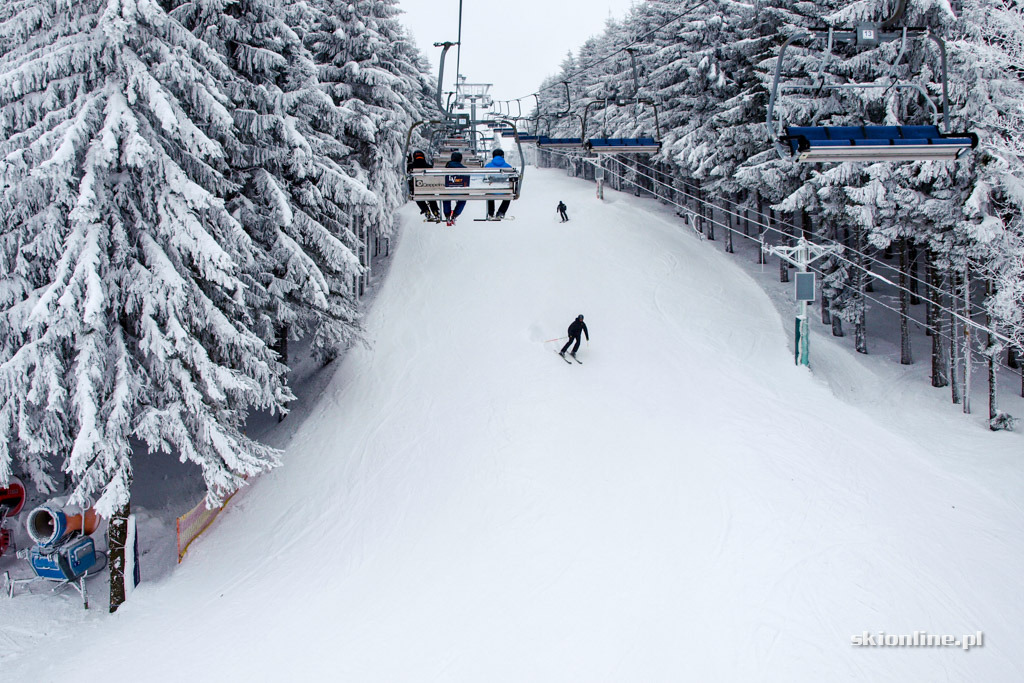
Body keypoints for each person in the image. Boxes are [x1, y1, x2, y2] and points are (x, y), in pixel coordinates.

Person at [408, 150, 440, 221]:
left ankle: (426, 210)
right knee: (431, 196)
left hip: (418, 191)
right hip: (428, 189)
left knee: (417, 197)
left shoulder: (411, 166)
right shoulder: (429, 166)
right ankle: (435, 211)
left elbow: (408, 175)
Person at [484, 149, 512, 219]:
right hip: (504, 191)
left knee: (489, 191)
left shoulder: (487, 166)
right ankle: (501, 212)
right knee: (509, 194)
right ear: (503, 156)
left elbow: (483, 178)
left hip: (492, 191)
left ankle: (490, 213)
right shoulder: (508, 167)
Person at [442, 151, 467, 224]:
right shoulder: (465, 169)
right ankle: (455, 214)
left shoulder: (446, 168)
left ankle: (447, 214)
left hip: (448, 190)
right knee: (463, 199)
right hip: (460, 191)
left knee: (445, 197)